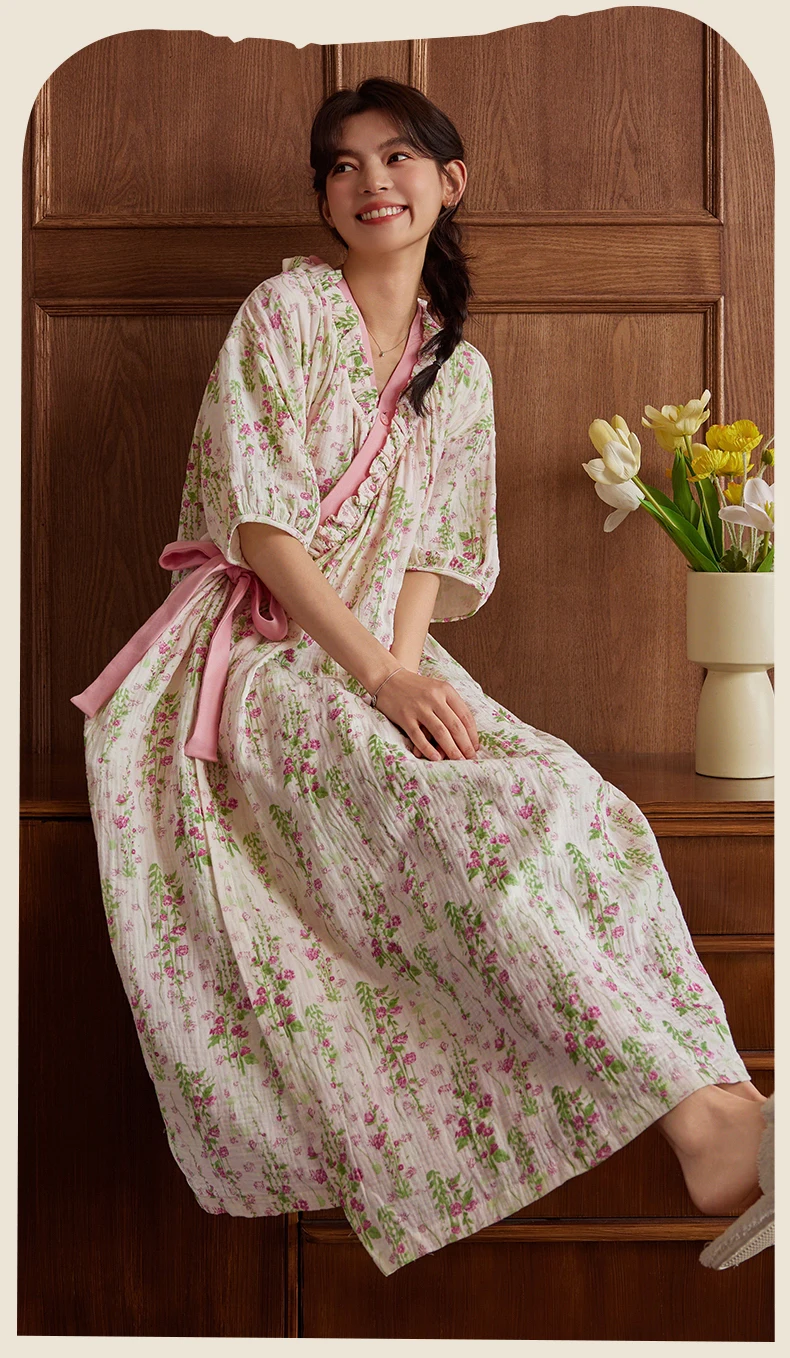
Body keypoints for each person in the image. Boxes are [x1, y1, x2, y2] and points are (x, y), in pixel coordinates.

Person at [70, 77, 773, 1279]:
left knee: (576, 804)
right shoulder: (285, 313)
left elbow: (429, 552)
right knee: (461, 825)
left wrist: (404, 676)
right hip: (262, 654)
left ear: (449, 183)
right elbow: (264, 530)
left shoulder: (462, 367)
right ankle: (709, 1125)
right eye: (343, 165)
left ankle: (728, 1103)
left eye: (397, 157)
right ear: (324, 199)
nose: (371, 181)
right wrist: (376, 685)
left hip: (385, 651)